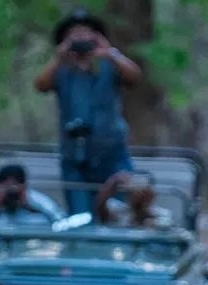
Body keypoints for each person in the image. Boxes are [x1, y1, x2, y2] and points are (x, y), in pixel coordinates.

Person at [33, 8, 144, 216]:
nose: (80, 38)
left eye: (86, 32)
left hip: (113, 156)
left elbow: (135, 77)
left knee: (120, 213)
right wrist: (59, 58)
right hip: (74, 156)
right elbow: (40, 85)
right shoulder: (61, 70)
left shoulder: (109, 66)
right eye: (74, 34)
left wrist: (110, 53)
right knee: (80, 217)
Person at [0, 164, 66, 224]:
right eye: (6, 186)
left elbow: (60, 220)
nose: (11, 191)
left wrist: (30, 206)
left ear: (24, 185)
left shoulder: (37, 200)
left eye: (15, 185)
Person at [94, 171, 172, 228]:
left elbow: (166, 224)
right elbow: (101, 205)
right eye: (132, 193)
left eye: (143, 193)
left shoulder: (162, 215)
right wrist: (114, 181)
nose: (138, 197)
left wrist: (148, 220)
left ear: (150, 196)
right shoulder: (118, 211)